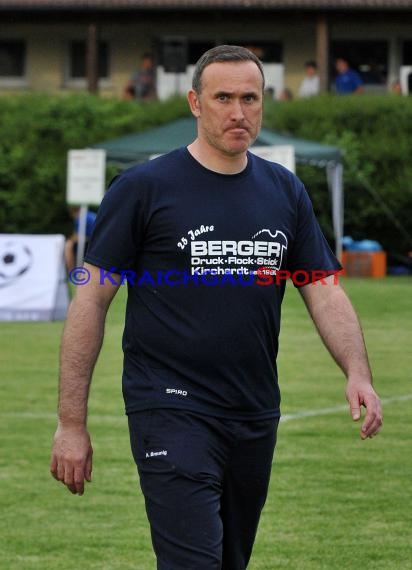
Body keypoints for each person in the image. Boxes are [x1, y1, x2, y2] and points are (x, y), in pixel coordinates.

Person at [50, 45, 382, 569]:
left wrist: (357, 371)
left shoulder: (284, 190)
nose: (238, 112)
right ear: (194, 103)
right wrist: (72, 423)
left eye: (249, 98)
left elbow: (323, 287)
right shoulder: (143, 188)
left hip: (253, 409)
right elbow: (90, 298)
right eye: (222, 97)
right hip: (169, 405)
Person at [64, 206, 96, 273]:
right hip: (95, 241)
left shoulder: (80, 218)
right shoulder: (89, 214)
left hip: (92, 242)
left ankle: (71, 272)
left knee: (68, 245)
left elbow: (76, 237)